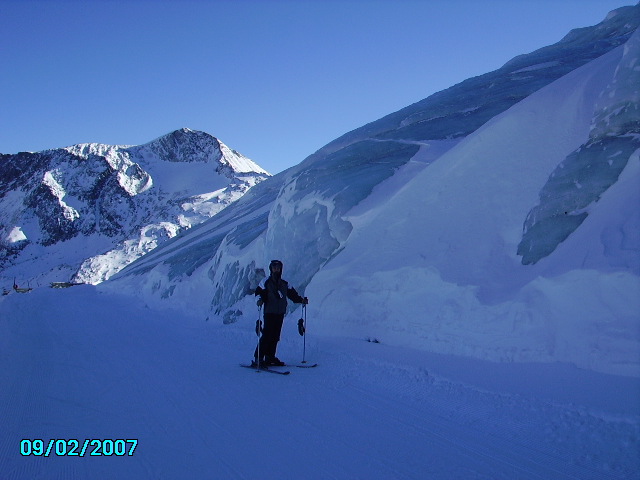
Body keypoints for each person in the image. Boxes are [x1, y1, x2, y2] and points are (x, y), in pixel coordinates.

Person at [253, 260, 308, 367]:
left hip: (280, 313)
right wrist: (259, 300)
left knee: (275, 336)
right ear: (271, 269)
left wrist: (301, 300)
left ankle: (270, 357)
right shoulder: (265, 282)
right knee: (267, 335)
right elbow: (258, 294)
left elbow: (293, 295)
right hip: (269, 312)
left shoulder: (285, 283)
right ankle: (258, 358)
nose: (276, 270)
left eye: (278, 268)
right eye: (274, 268)